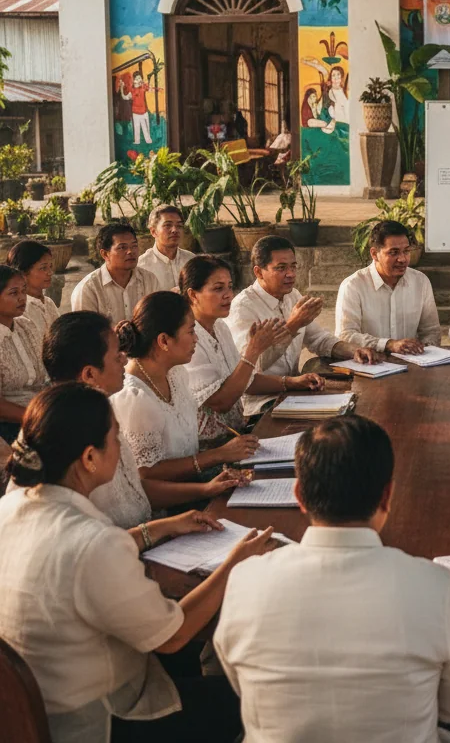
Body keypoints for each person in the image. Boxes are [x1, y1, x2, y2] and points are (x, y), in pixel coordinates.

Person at [0, 383, 274, 743]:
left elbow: (71, 557)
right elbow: (173, 636)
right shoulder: (95, 543)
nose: (121, 447)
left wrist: (159, 527)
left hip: (30, 709)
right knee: (256, 694)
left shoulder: (11, 507)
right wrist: (234, 562)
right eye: (115, 438)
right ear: (89, 458)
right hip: (105, 719)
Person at [214, 415, 450, 742]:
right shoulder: (439, 589)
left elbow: (240, 683)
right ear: (387, 496)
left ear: (299, 495)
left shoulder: (246, 581)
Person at [38, 310, 244, 528]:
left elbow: (136, 491)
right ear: (89, 375)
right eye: (116, 356)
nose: (124, 359)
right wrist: (159, 530)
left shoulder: (101, 408)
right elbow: (96, 538)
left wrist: (205, 489)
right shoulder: (67, 437)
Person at [111, 292, 261, 482]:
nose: (196, 339)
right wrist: (219, 454)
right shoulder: (135, 398)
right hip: (174, 496)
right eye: (190, 332)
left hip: (195, 481)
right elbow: (147, 474)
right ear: (164, 341)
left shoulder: (176, 373)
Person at [228, 236, 376, 417]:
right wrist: (292, 325)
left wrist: (353, 350)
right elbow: (252, 367)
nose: (290, 274)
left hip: (295, 391)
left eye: (293, 266)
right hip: (261, 403)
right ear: (259, 272)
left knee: (359, 404)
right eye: (281, 268)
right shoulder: (242, 308)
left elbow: (319, 339)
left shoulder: (293, 296)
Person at [182, 255, 324, 442]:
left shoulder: (220, 327)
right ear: (193, 295)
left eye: (230, 287)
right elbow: (221, 403)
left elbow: (246, 380)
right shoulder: (187, 337)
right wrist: (253, 350)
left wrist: (292, 382)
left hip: (236, 433)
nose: (228, 295)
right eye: (218, 288)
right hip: (209, 445)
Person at [335, 220, 442, 354]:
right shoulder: (353, 286)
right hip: (370, 362)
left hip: (413, 361)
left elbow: (431, 331)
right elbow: (345, 335)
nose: (402, 259)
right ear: (374, 254)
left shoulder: (420, 281)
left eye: (406, 251)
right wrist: (388, 345)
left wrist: (423, 349)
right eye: (393, 252)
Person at [71, 223, 160, 323]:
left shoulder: (149, 280)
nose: (130, 251)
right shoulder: (88, 289)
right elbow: (85, 330)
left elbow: (158, 320)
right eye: (122, 247)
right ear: (105, 254)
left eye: (134, 246)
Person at [0, 264, 48, 442]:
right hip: (10, 426)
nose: (22, 298)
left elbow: (45, 374)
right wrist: (39, 416)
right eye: (13, 293)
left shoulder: (26, 326)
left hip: (40, 410)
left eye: (23, 291)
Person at [137, 206, 196, 292]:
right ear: (153, 231)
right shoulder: (142, 266)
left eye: (179, 226)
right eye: (167, 225)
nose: (175, 230)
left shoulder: (191, 260)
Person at [7, 239, 58, 334]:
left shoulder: (48, 303)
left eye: (50, 266)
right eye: (43, 268)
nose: (50, 273)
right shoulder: (21, 309)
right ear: (23, 273)